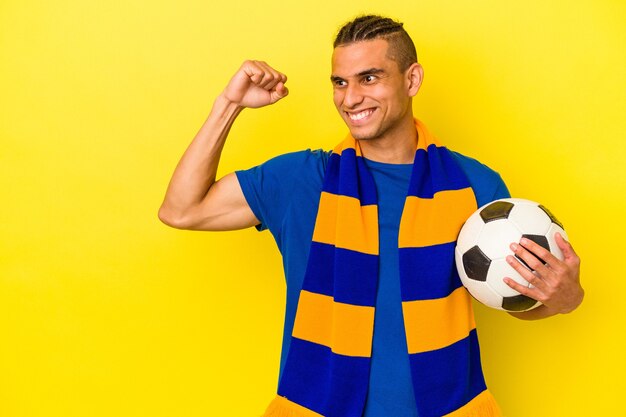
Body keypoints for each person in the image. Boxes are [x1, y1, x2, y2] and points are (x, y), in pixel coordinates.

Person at [159, 15, 583, 417]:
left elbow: (513, 296)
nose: (350, 97)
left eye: (369, 78)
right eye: (340, 82)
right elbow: (182, 210)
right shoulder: (302, 181)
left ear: (411, 79)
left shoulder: (475, 185)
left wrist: (565, 299)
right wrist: (229, 104)